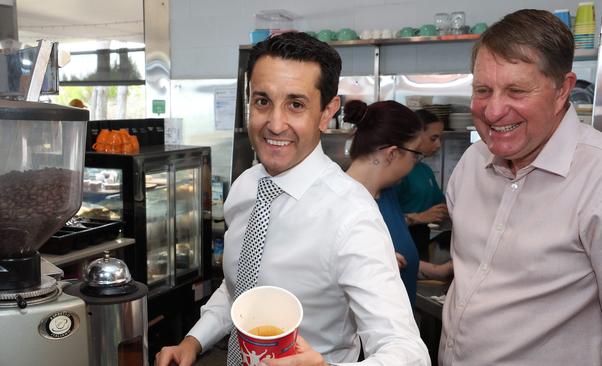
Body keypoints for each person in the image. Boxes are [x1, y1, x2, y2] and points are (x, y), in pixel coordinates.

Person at [155, 32, 430, 366]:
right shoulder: (245, 188)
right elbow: (238, 289)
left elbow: (407, 352)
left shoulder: (350, 215)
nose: (275, 123)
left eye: (296, 105)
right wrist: (193, 341)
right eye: (262, 101)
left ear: (327, 113)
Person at [440, 9, 602, 365]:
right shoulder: (470, 164)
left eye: (516, 90)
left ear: (563, 90)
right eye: (483, 90)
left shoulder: (595, 176)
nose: (494, 111)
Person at [344, 99, 424, 307]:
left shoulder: (387, 193)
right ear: (392, 153)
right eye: (416, 154)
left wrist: (437, 270)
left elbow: (402, 260)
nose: (415, 164)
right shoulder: (338, 203)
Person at [395, 109, 449, 262]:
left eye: (440, 139)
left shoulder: (424, 170)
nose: (438, 144)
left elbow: (439, 204)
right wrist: (418, 217)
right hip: (398, 244)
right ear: (416, 136)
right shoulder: (398, 172)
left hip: (420, 243)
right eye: (433, 138)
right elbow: (381, 217)